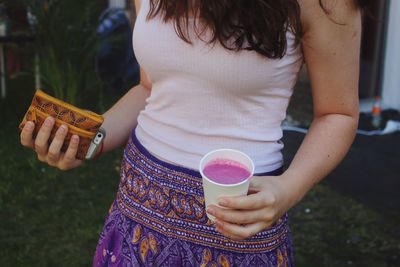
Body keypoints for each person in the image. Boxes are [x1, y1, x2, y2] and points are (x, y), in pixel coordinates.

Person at [20, 0, 370, 265]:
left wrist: (288, 189)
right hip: (137, 210)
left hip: (238, 222)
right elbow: (150, 88)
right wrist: (89, 140)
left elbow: (337, 113)